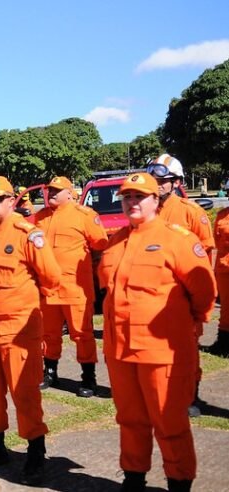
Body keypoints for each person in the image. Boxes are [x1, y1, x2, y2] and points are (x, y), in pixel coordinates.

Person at [98, 172, 215, 492]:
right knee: (130, 420)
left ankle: (179, 483)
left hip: (163, 352)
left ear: (155, 200)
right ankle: (133, 478)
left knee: (170, 422)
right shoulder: (116, 241)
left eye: (140, 196)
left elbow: (204, 293)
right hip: (120, 351)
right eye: (127, 197)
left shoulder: (177, 239)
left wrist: (188, 325)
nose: (132, 202)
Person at [0, 176, 61, 485]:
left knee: (25, 391)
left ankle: (35, 450)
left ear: (11, 201)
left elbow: (51, 278)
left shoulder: (27, 235)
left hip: (19, 329)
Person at [146, 154, 215, 417]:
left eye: (164, 180)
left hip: (183, 296)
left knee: (186, 349)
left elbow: (204, 257)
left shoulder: (191, 212)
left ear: (176, 182)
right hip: (154, 296)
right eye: (155, 180)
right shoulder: (146, 212)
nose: (159, 184)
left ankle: (190, 395)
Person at [34, 176, 108, 397]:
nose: (52, 193)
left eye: (57, 190)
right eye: (50, 190)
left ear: (69, 192)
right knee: (48, 333)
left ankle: (88, 377)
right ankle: (50, 371)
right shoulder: (40, 218)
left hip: (76, 288)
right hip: (48, 289)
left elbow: (101, 245)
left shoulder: (84, 216)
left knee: (82, 334)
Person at [207, 207, 229, 357]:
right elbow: (215, 240)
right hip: (224, 268)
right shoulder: (222, 215)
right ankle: (223, 344)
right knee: (226, 308)